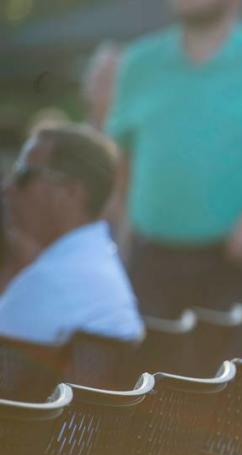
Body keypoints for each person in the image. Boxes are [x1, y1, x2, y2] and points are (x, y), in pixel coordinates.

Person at [106, 0, 242, 355]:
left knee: (231, 393)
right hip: (150, 261)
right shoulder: (138, 63)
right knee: (148, 387)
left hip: (237, 263)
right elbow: (121, 155)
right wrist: (122, 225)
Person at [0, 124, 143, 345]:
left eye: (23, 175)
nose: (8, 188)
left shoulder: (48, 283)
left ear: (71, 192)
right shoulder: (95, 262)